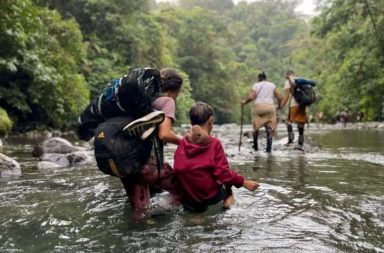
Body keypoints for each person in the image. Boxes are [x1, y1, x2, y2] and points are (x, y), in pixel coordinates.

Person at [120, 68, 184, 216]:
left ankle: (137, 231)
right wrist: (188, 143)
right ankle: (162, 220)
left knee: (139, 211)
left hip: (124, 162)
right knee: (183, 189)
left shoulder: (140, 99)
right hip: (145, 163)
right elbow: (165, 134)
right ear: (175, 91)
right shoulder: (167, 101)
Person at [174, 102, 259, 212]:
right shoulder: (214, 143)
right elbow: (223, 173)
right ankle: (227, 206)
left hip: (189, 197)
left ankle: (196, 216)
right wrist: (243, 182)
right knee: (228, 186)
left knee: (195, 212)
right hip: (209, 196)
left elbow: (177, 167)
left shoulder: (183, 142)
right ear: (211, 121)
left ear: (191, 122)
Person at [241, 72, 283, 152]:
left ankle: (256, 147)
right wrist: (279, 106)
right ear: (266, 78)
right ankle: (269, 149)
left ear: (258, 78)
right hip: (270, 107)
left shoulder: (256, 85)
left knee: (255, 127)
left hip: (259, 108)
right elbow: (280, 97)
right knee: (269, 127)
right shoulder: (272, 85)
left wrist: (244, 102)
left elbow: (252, 97)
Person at [281, 70, 308, 151]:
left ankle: (291, 141)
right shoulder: (300, 80)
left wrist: (281, 105)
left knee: (289, 121)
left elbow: (287, 96)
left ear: (287, 75)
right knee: (300, 123)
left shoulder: (288, 81)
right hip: (302, 104)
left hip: (293, 104)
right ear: (294, 74)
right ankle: (300, 143)